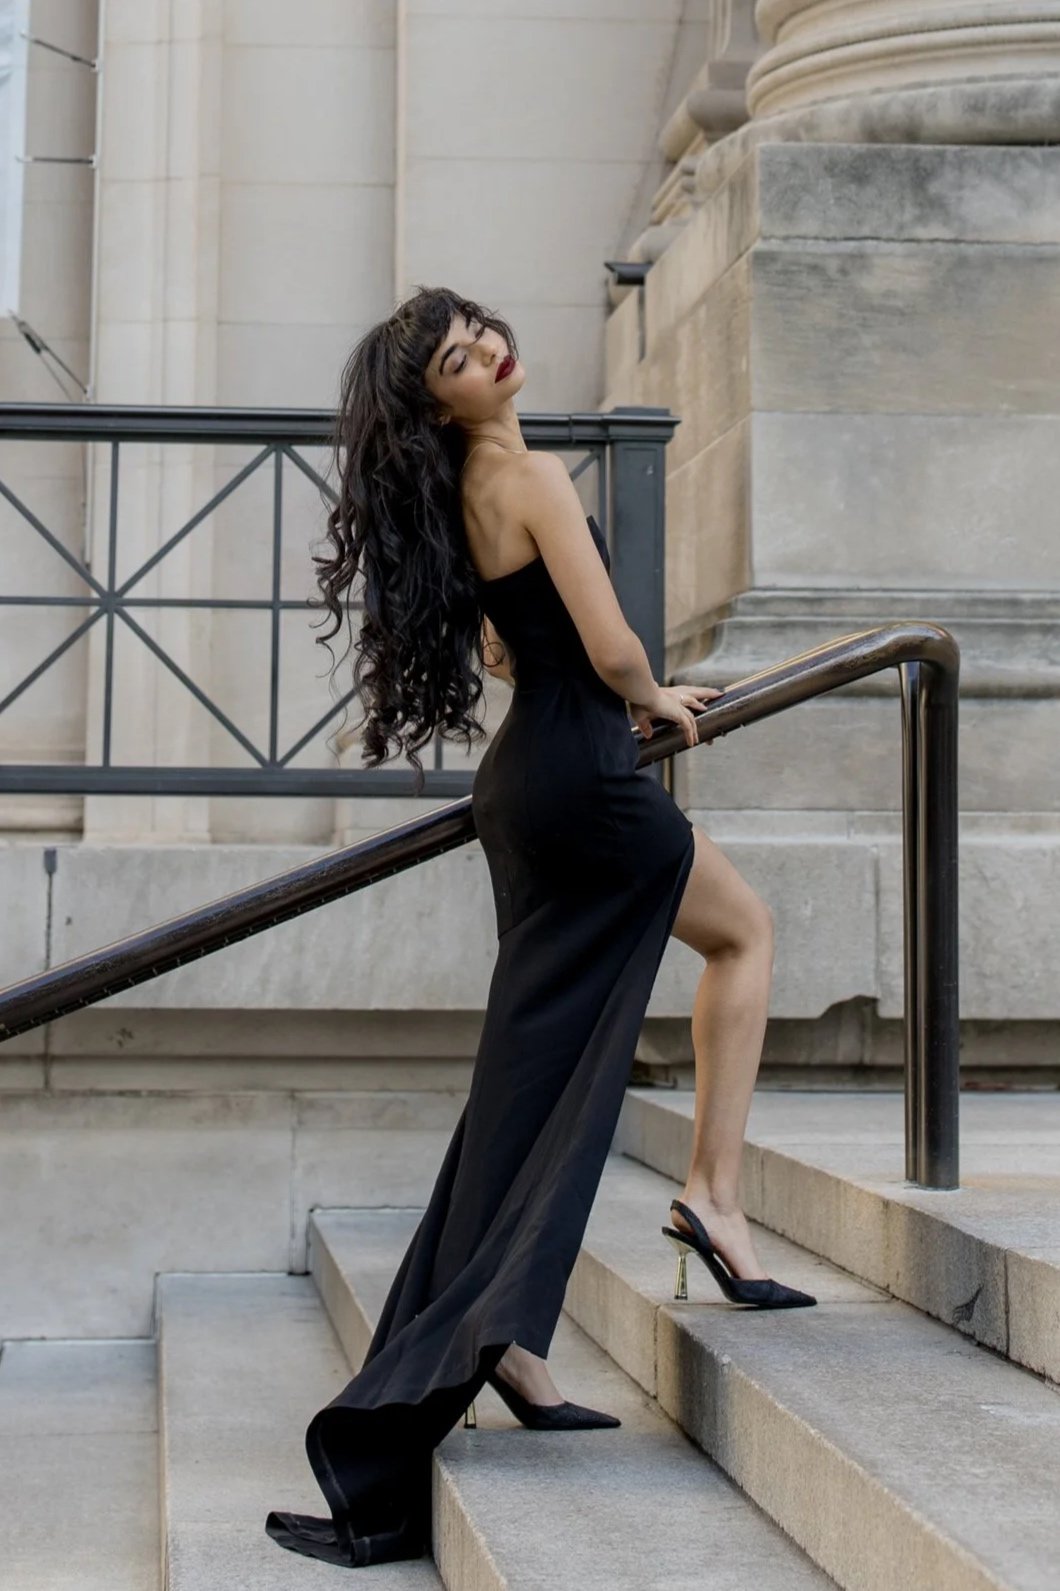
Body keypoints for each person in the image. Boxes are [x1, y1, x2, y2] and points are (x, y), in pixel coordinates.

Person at [265, 286, 814, 1572]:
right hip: (586, 777)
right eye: (459, 358)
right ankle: (715, 1200)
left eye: (481, 334)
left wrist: (591, 681)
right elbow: (614, 640)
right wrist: (655, 694)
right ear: (440, 399)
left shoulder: (460, 489)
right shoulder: (526, 474)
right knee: (742, 937)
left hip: (527, 786)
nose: (491, 353)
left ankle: (506, 1340)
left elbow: (513, 652)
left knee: (531, 1076)